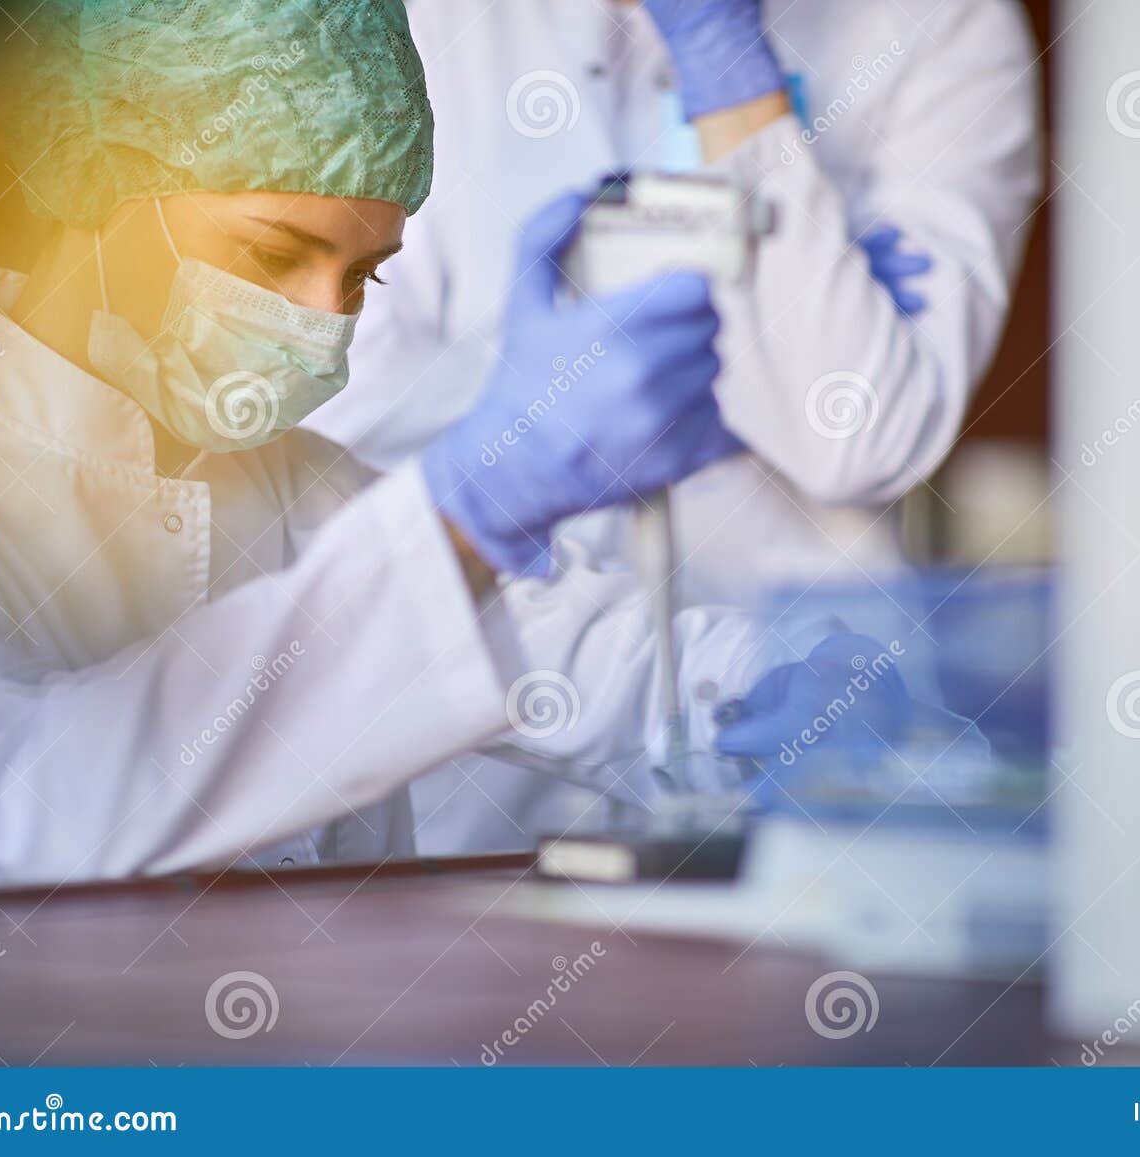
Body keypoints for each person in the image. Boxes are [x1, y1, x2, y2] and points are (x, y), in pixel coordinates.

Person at [0, 0, 912, 891]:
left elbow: (574, 645)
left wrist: (774, 673)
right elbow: (25, 806)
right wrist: (470, 510)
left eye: (364, 275)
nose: (322, 319)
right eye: (274, 250)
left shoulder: (301, 485)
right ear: (93, 173)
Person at [303, 0, 1038, 850]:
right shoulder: (427, 18)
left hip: (800, 718)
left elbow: (857, 437)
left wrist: (731, 72)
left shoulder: (942, 24)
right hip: (475, 769)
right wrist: (557, 419)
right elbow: (340, 417)